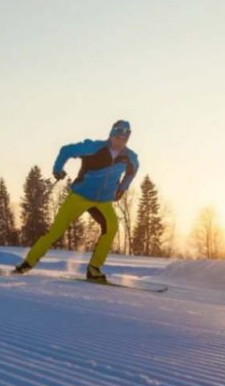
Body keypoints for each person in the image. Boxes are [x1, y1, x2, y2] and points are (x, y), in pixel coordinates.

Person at [14, 119, 139, 283]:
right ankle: (27, 263)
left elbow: (132, 172)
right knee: (56, 232)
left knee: (111, 228)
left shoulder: (130, 157)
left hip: (103, 202)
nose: (119, 142)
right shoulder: (93, 147)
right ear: (111, 135)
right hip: (80, 196)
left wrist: (123, 188)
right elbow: (66, 150)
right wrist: (57, 169)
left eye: (124, 139)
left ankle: (94, 269)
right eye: (117, 138)